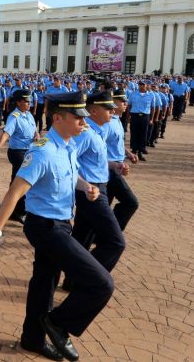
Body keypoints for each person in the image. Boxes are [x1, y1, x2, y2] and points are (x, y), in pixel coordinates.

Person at [0, 92, 111, 361]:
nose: (84, 122)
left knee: (44, 283)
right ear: (59, 118)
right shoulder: (43, 150)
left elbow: (70, 175)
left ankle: (32, 339)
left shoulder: (68, 146)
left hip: (62, 223)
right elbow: (15, 192)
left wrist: (86, 187)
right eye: (78, 117)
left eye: (84, 116)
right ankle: (58, 324)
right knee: (101, 283)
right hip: (45, 227)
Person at [64, 91, 126, 291]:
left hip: (99, 187)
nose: (112, 111)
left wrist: (115, 165)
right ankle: (89, 278)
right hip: (91, 191)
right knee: (115, 242)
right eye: (107, 108)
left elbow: (93, 161)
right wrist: (85, 185)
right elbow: (69, 160)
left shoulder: (98, 132)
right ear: (93, 110)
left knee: (82, 237)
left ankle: (72, 279)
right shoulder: (87, 134)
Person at [0, 89, 39, 224]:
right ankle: (17, 210)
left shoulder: (29, 115)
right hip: (17, 152)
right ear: (19, 102)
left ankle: (17, 210)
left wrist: (37, 135)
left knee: (20, 181)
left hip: (29, 151)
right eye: (26, 101)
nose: (29, 104)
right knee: (23, 181)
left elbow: (35, 130)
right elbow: (6, 133)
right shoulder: (14, 116)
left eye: (30, 101)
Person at [105, 89, 140, 231]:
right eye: (122, 101)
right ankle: (112, 231)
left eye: (126, 101)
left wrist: (129, 153)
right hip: (110, 169)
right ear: (113, 102)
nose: (126, 104)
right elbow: (99, 148)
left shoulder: (117, 120)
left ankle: (100, 233)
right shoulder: (107, 123)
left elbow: (117, 143)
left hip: (116, 167)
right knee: (130, 202)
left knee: (104, 206)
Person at [127, 80, 153, 161]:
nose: (141, 86)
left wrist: (152, 118)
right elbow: (129, 105)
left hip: (145, 116)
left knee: (143, 134)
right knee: (134, 132)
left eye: (143, 85)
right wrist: (128, 116)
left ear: (147, 85)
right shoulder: (133, 94)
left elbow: (153, 108)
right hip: (135, 115)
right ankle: (134, 150)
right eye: (140, 85)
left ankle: (141, 151)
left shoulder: (151, 95)